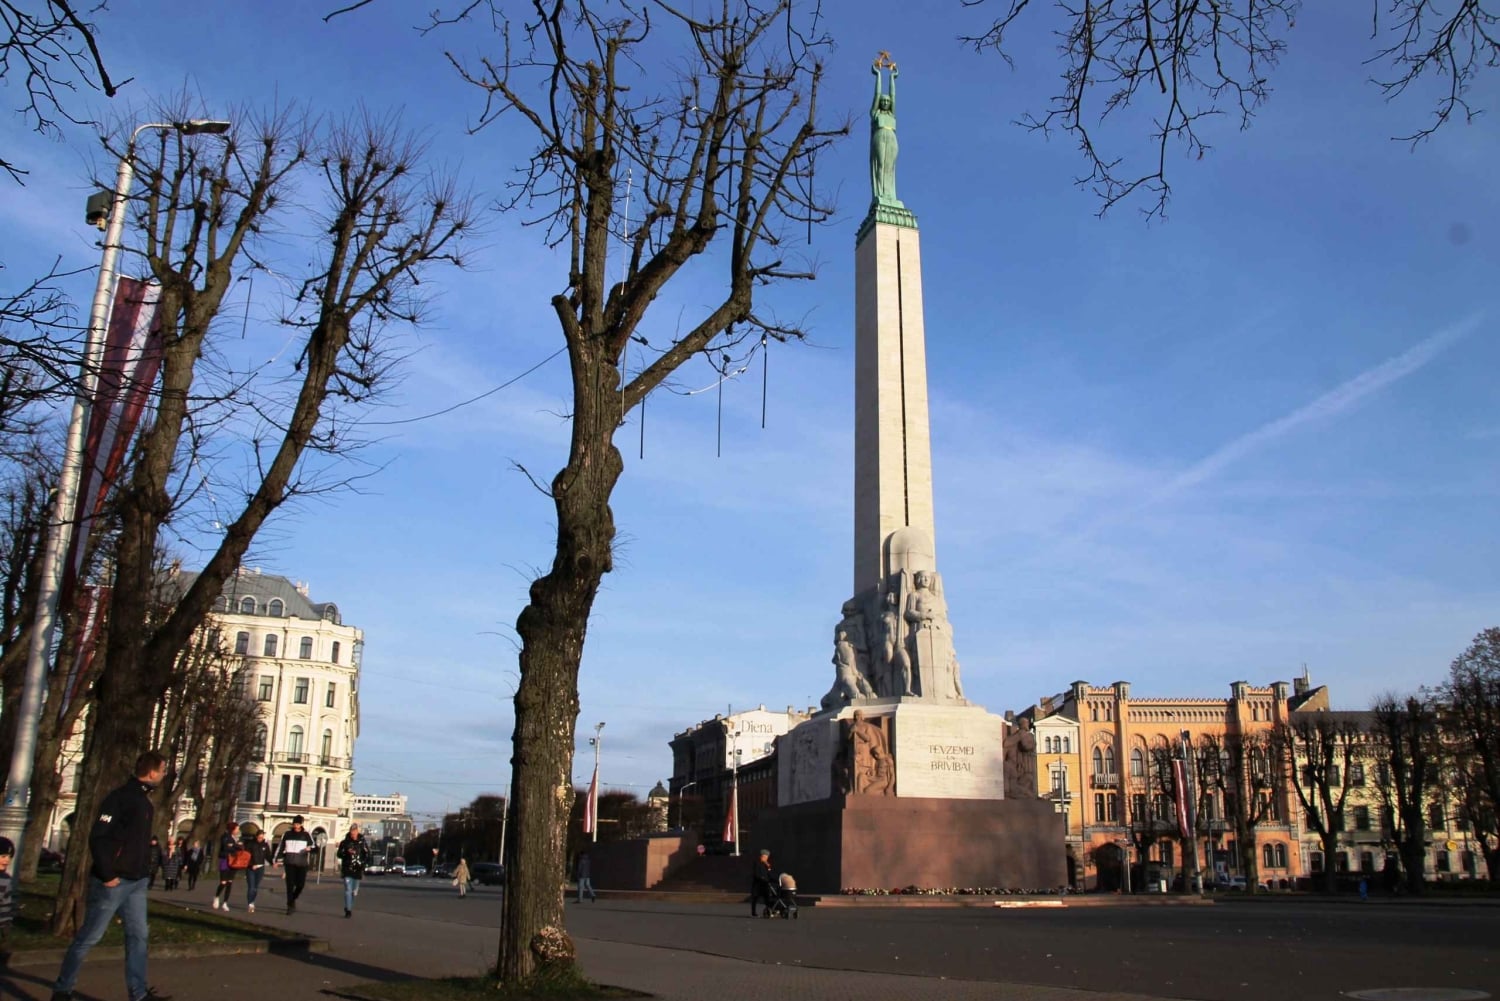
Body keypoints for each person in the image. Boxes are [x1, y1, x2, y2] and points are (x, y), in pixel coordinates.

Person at [50, 749, 173, 1001]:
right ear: (151, 772)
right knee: (89, 937)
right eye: (162, 770)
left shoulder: (144, 802)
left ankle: (138, 994)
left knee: (139, 936)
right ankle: (62, 990)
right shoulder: (120, 798)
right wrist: (107, 874)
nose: (163, 775)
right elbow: (98, 837)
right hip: (114, 881)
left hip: (136, 881)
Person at [273, 815, 315, 914]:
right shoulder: (287, 834)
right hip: (289, 863)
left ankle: (293, 899)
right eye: (295, 824)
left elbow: (314, 846)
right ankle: (290, 906)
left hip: (302, 864)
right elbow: (280, 847)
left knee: (300, 885)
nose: (296, 826)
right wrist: (276, 860)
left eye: (298, 824)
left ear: (301, 824)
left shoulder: (306, 834)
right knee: (290, 885)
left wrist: (310, 849)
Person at [336, 824, 369, 917]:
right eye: (351, 831)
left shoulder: (362, 843)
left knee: (354, 892)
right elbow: (339, 854)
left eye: (355, 831)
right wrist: (346, 852)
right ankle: (348, 911)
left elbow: (367, 854)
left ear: (357, 832)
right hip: (347, 868)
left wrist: (363, 863)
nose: (353, 833)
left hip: (357, 870)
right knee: (348, 889)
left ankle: (349, 906)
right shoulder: (345, 843)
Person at [211, 821, 240, 910]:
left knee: (229, 882)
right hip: (225, 861)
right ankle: (216, 896)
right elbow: (226, 847)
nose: (238, 830)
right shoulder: (225, 837)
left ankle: (225, 902)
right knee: (223, 882)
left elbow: (236, 847)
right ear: (232, 829)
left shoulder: (235, 838)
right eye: (237, 829)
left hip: (233, 862)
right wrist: (234, 847)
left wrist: (236, 846)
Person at [244, 829, 271, 912]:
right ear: (256, 836)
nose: (260, 839)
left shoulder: (265, 845)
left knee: (255, 887)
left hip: (260, 867)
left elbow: (268, 855)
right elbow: (247, 856)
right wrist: (252, 864)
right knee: (251, 887)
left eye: (262, 837)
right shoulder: (250, 844)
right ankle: (250, 904)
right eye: (259, 837)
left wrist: (273, 862)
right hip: (251, 868)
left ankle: (252, 902)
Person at [0, 835, 14, 971]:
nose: (7, 860)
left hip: (4, 922)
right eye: (3, 856)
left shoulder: (6, 878)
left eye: (9, 857)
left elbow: (8, 901)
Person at [750, 848, 775, 918]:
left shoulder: (766, 865)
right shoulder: (757, 863)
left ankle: (769, 910)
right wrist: (761, 878)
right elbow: (756, 874)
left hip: (765, 885)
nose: (766, 859)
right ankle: (753, 913)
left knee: (767, 897)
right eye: (766, 857)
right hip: (757, 885)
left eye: (767, 857)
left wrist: (769, 867)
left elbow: (769, 874)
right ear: (762, 856)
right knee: (755, 898)